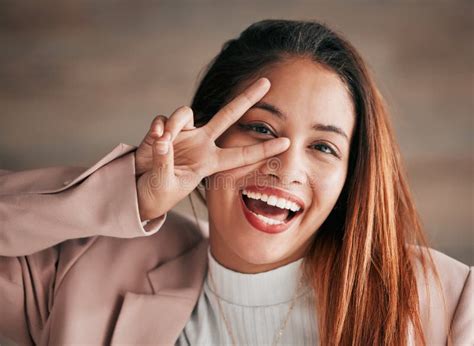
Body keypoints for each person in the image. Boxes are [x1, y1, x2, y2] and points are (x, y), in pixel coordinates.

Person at [0, 19, 472, 346]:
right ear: (201, 133)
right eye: (262, 129)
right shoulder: (86, 266)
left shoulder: (449, 302)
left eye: (323, 147)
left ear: (352, 177)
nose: (286, 169)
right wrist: (130, 193)